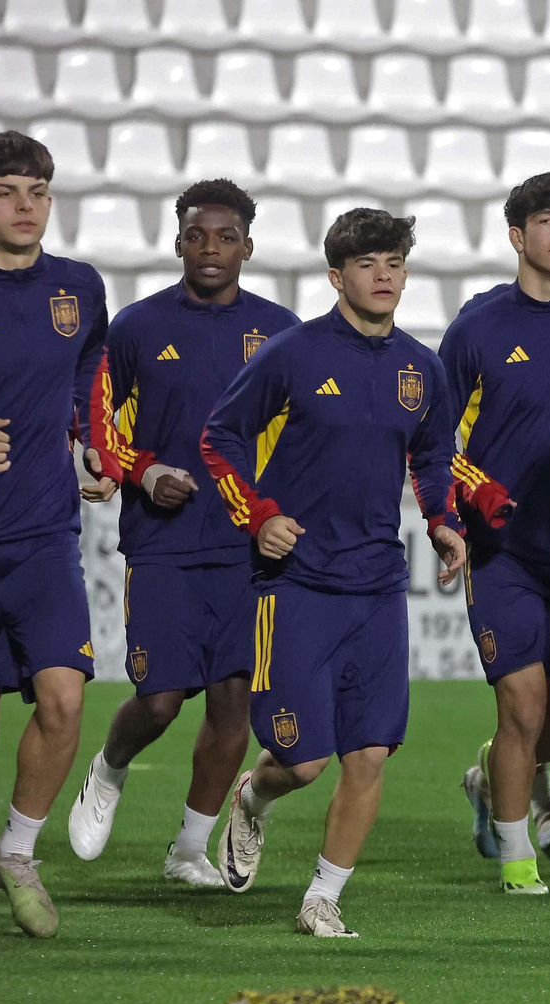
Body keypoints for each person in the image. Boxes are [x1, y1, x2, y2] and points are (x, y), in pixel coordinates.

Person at [201, 207, 465, 937]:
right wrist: (258, 515)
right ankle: (253, 797)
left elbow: (433, 456)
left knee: (370, 753)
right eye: (367, 264)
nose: (384, 276)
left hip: (378, 586)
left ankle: (323, 897)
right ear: (335, 276)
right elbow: (220, 438)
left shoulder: (423, 367)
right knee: (303, 761)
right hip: (296, 584)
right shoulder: (292, 354)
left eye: (394, 264)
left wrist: (442, 520)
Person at [67, 180, 300, 886]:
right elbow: (97, 424)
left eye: (226, 237)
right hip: (163, 542)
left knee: (234, 702)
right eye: (197, 235)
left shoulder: (281, 331)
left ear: (247, 247)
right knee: (162, 699)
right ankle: (109, 768)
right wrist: (142, 473)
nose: (210, 248)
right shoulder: (136, 327)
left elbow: (301, 436)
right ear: (177, 243)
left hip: (246, 547)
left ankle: (188, 851)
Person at [441, 174, 550, 898]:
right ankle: (519, 864)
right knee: (523, 705)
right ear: (517, 235)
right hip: (503, 551)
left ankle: (491, 772)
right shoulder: (477, 328)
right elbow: (430, 443)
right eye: (547, 219)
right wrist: (464, 501)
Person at [0, 130, 122, 939]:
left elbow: (88, 372)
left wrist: (95, 442)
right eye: (6, 190)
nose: (25, 206)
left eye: (38, 191)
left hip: (42, 533)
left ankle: (15, 850)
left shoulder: (78, 287)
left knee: (65, 698)